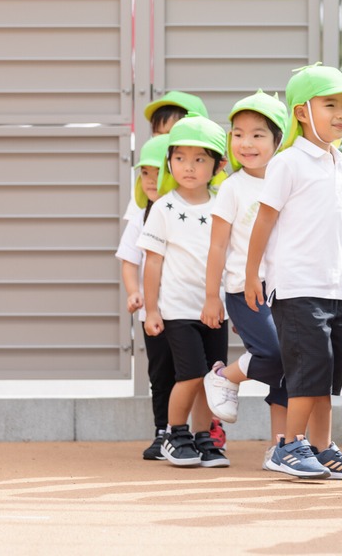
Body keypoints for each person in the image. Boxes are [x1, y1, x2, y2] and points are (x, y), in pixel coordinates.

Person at [244, 64, 342, 480]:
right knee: (308, 368)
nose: (341, 114)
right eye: (330, 104)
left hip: (332, 287)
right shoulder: (288, 162)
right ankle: (288, 445)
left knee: (327, 372)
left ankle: (322, 446)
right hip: (295, 284)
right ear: (301, 112)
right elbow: (263, 221)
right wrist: (250, 275)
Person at [201, 91, 291, 471]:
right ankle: (225, 376)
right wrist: (211, 297)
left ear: (277, 140)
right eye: (238, 134)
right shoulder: (233, 187)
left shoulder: (289, 178)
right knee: (273, 354)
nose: (246, 143)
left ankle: (281, 448)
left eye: (258, 134)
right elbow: (218, 246)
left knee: (291, 370)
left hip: (287, 289)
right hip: (243, 287)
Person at [137, 114, 230, 468]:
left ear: (218, 165)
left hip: (214, 310)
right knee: (190, 373)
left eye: (199, 159)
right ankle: (176, 434)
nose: (188, 167)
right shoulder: (163, 207)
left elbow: (230, 257)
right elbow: (153, 262)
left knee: (212, 377)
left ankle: (203, 437)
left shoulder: (222, 204)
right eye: (180, 158)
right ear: (169, 162)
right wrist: (152, 310)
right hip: (177, 309)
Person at [115, 135, 174, 460]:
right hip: (152, 313)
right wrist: (135, 292)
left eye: (157, 173)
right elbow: (129, 260)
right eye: (145, 174)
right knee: (160, 373)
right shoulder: (141, 214)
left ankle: (192, 432)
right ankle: (162, 431)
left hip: (186, 309)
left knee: (192, 372)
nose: (151, 181)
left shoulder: (185, 209)